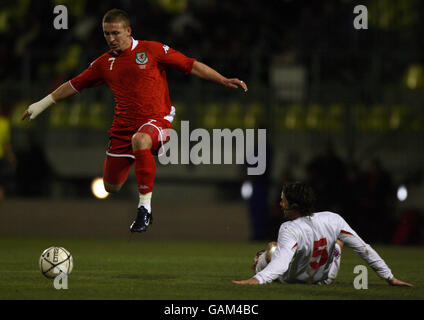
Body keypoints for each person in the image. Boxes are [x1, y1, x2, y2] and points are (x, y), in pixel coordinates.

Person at [22, 9, 248, 233]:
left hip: (157, 119)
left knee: (141, 139)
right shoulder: (103, 63)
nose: (111, 39)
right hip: (122, 129)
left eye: (116, 33)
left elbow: (190, 64)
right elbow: (74, 84)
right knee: (111, 186)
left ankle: (144, 208)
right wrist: (40, 104)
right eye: (106, 34)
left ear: (128, 31)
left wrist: (222, 79)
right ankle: (142, 154)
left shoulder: (152, 50)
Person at [232, 182, 413, 286]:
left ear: (294, 205)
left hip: (293, 280)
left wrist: (255, 280)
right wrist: (390, 277)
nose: (280, 203)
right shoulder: (333, 219)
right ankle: (336, 248)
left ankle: (259, 261)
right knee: (337, 243)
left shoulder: (289, 228)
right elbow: (363, 249)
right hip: (325, 279)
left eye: (283, 200)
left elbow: (280, 264)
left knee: (272, 249)